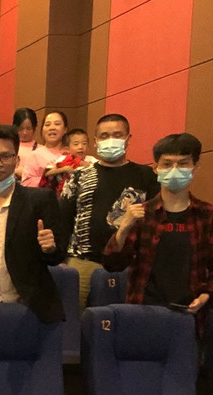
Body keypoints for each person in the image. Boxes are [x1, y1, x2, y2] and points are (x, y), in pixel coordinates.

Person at [103, 132, 213, 327]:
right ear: (156, 168)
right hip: (144, 313)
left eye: (183, 164)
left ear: (195, 168)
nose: (174, 170)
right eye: (167, 164)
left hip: (191, 315)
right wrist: (124, 227)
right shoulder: (141, 213)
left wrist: (206, 296)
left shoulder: (208, 215)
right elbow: (112, 264)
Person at [0, 125, 65, 324]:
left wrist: (50, 248)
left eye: (5, 156)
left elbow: (57, 255)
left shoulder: (40, 201)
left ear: (17, 160)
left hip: (30, 309)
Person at [59, 113, 160, 305]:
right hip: (83, 263)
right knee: (78, 318)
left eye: (117, 135)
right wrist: (61, 260)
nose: (111, 140)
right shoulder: (79, 176)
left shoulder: (146, 176)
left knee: (125, 319)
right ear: (95, 141)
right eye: (104, 136)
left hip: (130, 265)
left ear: (128, 139)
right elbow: (63, 219)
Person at [19, 110, 67, 187]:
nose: (52, 128)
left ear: (65, 129)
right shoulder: (34, 155)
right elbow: (26, 183)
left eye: (57, 124)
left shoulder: (71, 153)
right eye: (47, 125)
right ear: (42, 131)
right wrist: (50, 178)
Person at [39, 128, 90, 195]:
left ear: (88, 147)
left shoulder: (91, 161)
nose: (80, 147)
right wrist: (64, 169)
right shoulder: (63, 159)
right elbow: (47, 173)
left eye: (84, 143)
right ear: (68, 149)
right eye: (76, 144)